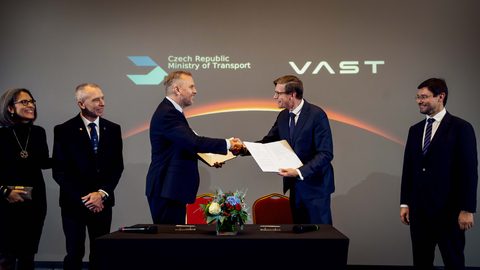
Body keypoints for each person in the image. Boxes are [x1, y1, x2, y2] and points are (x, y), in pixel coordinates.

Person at [145, 71, 242, 224]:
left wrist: (210, 159)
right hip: (166, 188)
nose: (195, 91)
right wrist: (229, 144)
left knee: (173, 239)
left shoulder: (172, 111)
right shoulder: (168, 113)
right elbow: (194, 142)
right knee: (169, 240)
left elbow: (183, 145)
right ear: (177, 89)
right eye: (191, 86)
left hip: (171, 188)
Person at [400, 78, 478, 269]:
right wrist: (405, 202)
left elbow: (469, 172)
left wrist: (467, 209)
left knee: (453, 262)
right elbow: (409, 169)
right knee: (421, 262)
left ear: (440, 96)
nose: (419, 101)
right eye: (418, 97)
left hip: (448, 211)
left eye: (424, 96)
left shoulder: (461, 127)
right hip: (419, 210)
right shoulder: (415, 130)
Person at [241, 75, 335, 225]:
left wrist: (299, 172)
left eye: (278, 93)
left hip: (316, 188)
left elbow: (325, 153)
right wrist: (243, 148)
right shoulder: (283, 116)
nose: (274, 97)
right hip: (295, 187)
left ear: (292, 95)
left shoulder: (317, 115)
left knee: (321, 238)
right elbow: (267, 142)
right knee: (299, 237)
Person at [52, 83, 124, 270]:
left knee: (99, 252)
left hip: (102, 203)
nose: (102, 103)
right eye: (96, 100)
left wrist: (101, 194)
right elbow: (60, 171)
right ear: (81, 104)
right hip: (75, 203)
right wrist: (87, 198)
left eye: (102, 98)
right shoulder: (64, 130)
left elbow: (117, 167)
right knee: (75, 252)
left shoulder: (113, 129)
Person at [0, 88, 50, 270]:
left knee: (28, 256)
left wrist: (71, 155)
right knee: (7, 256)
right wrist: (6, 192)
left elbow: (44, 162)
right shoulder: (1, 135)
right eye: (24, 102)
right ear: (10, 108)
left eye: (32, 101)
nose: (30, 105)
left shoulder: (39, 132)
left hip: (35, 203)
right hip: (7, 204)